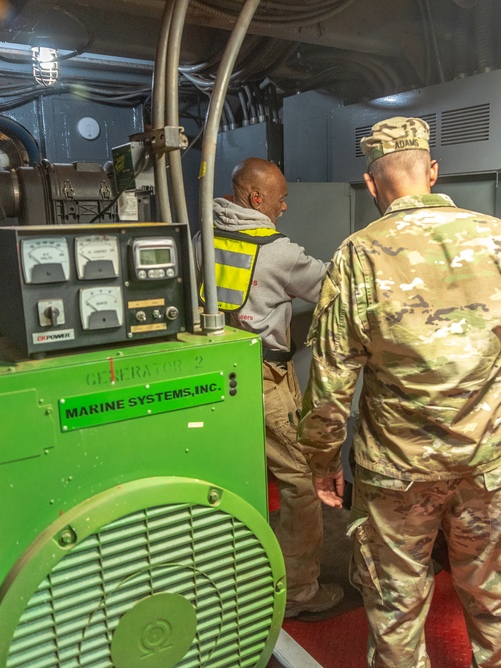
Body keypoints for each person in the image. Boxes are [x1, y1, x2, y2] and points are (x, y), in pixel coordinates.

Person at [298, 117, 501, 666]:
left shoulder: (357, 255)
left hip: (395, 472)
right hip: (483, 464)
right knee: (496, 598)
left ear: (371, 185)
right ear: (433, 171)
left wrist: (324, 460)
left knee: (395, 608)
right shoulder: (499, 240)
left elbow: (330, 382)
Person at [201, 157, 344, 619]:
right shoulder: (277, 251)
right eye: (280, 198)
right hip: (265, 380)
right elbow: (332, 289)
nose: (285, 206)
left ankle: (234, 575)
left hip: (214, 376)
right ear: (256, 198)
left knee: (235, 477)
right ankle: (299, 590)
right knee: (301, 481)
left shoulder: (204, 232)